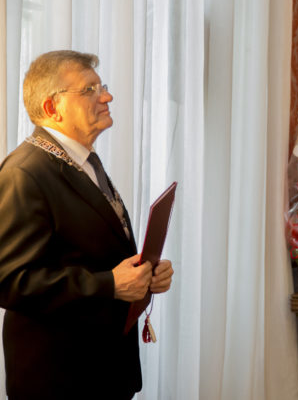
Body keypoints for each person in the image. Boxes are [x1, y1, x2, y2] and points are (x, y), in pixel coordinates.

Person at [0, 50, 174, 400]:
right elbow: (9, 281)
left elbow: (93, 249)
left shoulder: (85, 161)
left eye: (102, 86)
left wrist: (145, 273)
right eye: (90, 90)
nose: (107, 97)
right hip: (58, 377)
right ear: (52, 107)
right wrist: (110, 285)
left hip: (103, 369)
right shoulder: (24, 173)